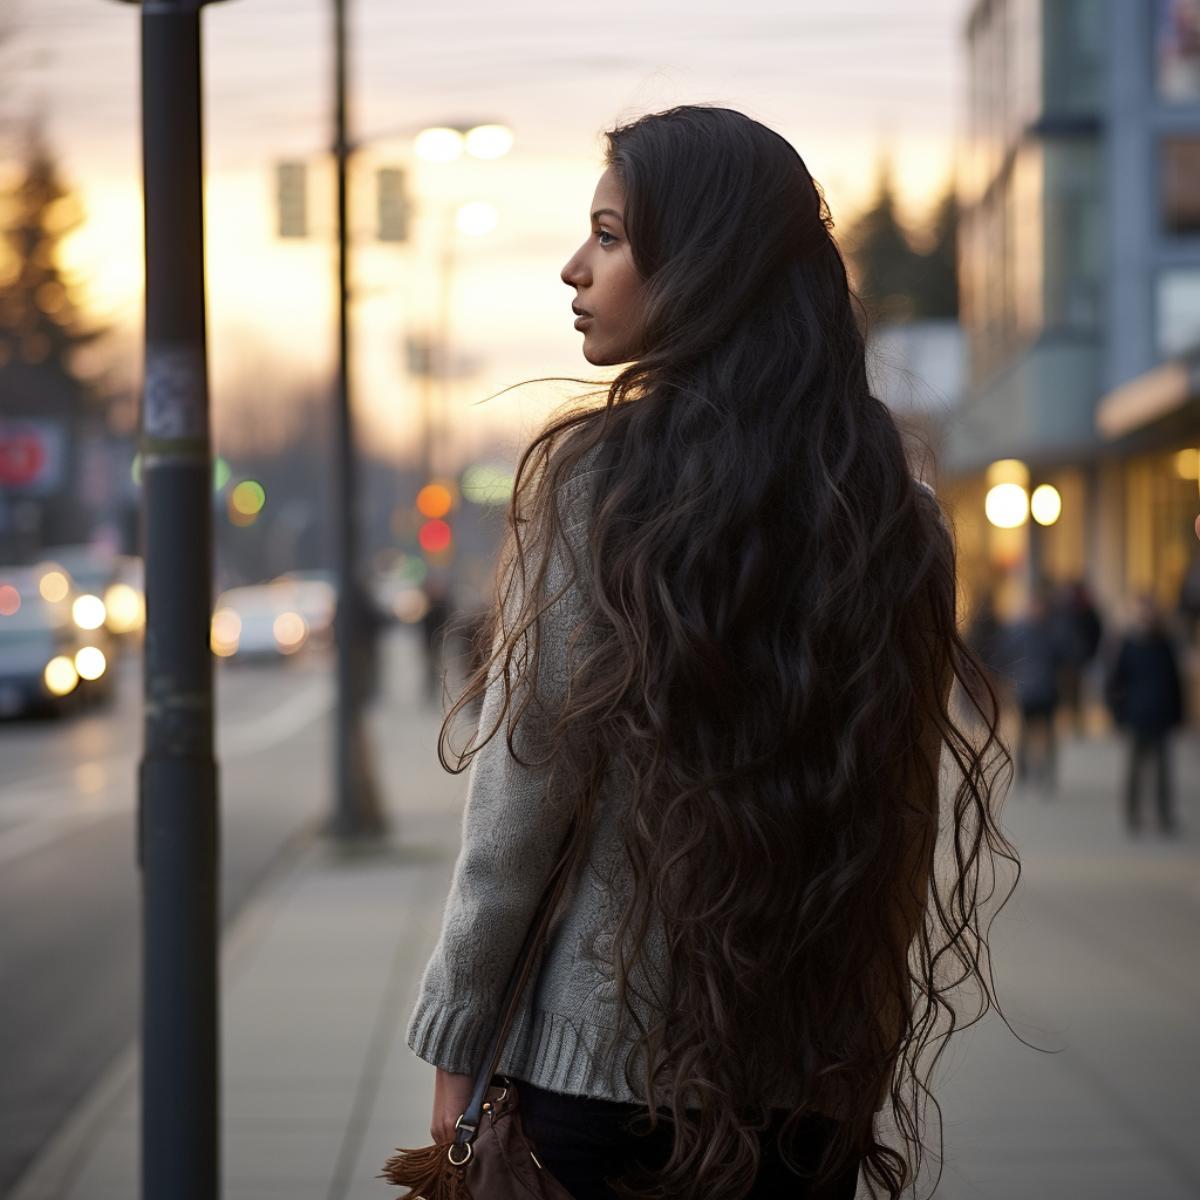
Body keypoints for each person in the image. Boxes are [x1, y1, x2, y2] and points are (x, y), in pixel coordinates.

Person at [405, 105, 1017, 1200]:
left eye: (608, 235)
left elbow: (525, 790)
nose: (572, 269)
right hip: (807, 1091)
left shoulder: (598, 483)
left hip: (594, 1093)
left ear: (703, 265)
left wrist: (460, 1031)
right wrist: (853, 1058)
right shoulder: (894, 517)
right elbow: (898, 818)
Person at [1104, 593, 1185, 835]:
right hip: (1136, 716)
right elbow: (1114, 683)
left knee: (1162, 770)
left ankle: (1163, 816)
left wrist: (1178, 714)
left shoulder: (1165, 645)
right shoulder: (1128, 645)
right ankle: (1132, 814)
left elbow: (1175, 682)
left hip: (1161, 715)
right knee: (1134, 769)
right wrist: (1118, 714)